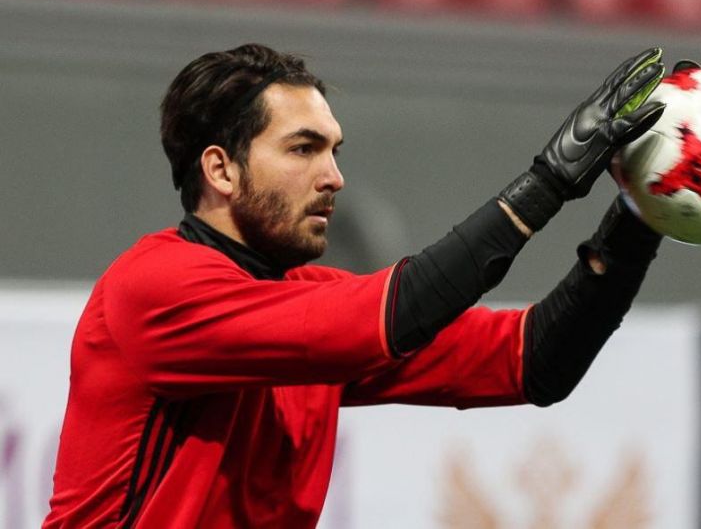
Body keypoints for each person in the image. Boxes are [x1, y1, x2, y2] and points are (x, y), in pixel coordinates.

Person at [44, 43, 668, 528]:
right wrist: (548, 181)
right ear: (221, 169)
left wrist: (641, 212)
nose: (334, 177)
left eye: (334, 151)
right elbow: (402, 308)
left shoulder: (305, 295)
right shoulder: (155, 287)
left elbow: (537, 360)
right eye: (303, 149)